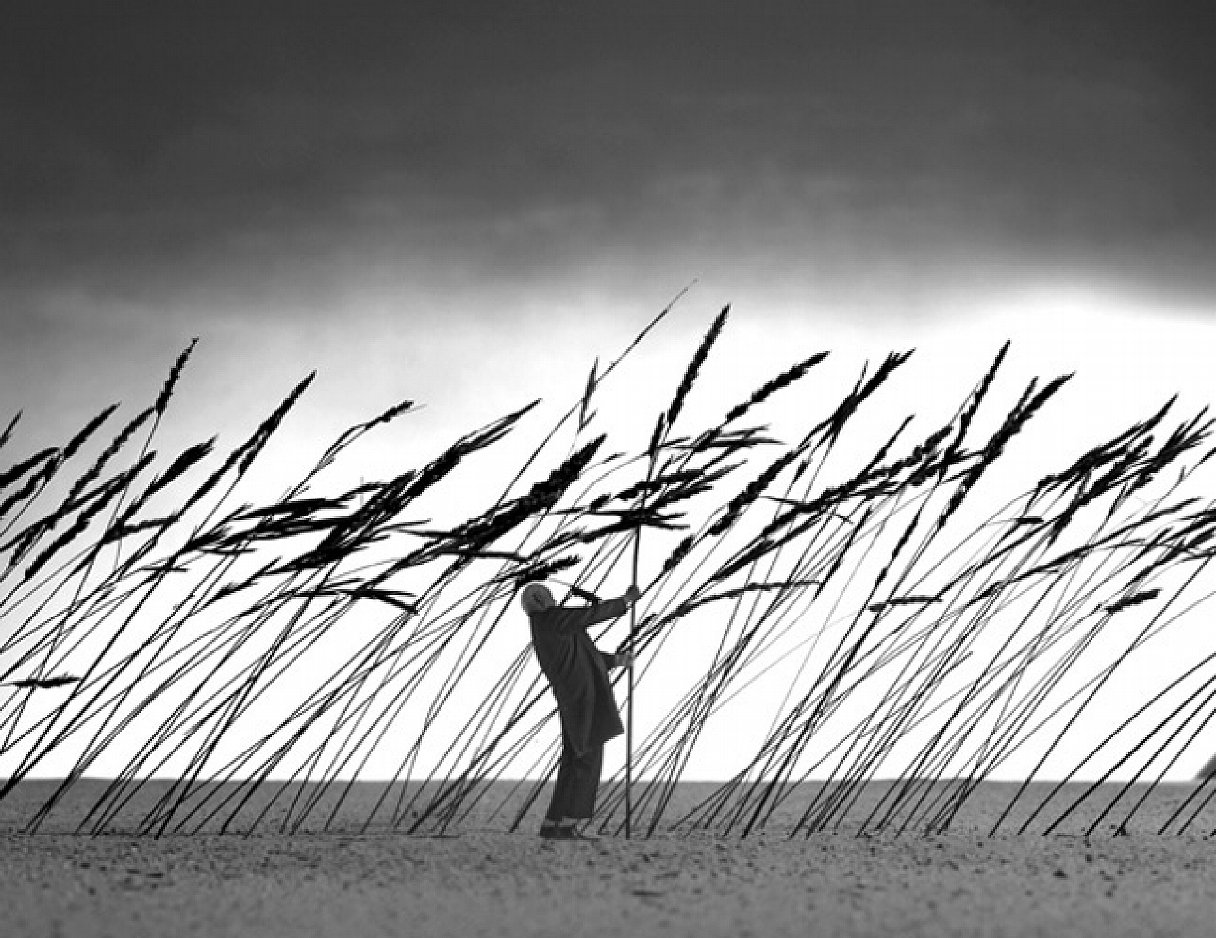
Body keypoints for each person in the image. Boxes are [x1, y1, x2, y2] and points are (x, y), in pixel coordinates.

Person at [521, 580, 640, 840]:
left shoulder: (551, 625)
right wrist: (624, 602)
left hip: (578, 697)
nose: (555, 600)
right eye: (549, 597)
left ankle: (554, 822)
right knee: (585, 755)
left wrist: (617, 660)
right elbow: (589, 616)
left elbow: (585, 655)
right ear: (541, 601)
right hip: (581, 699)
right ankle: (565, 824)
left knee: (576, 756)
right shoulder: (551, 620)